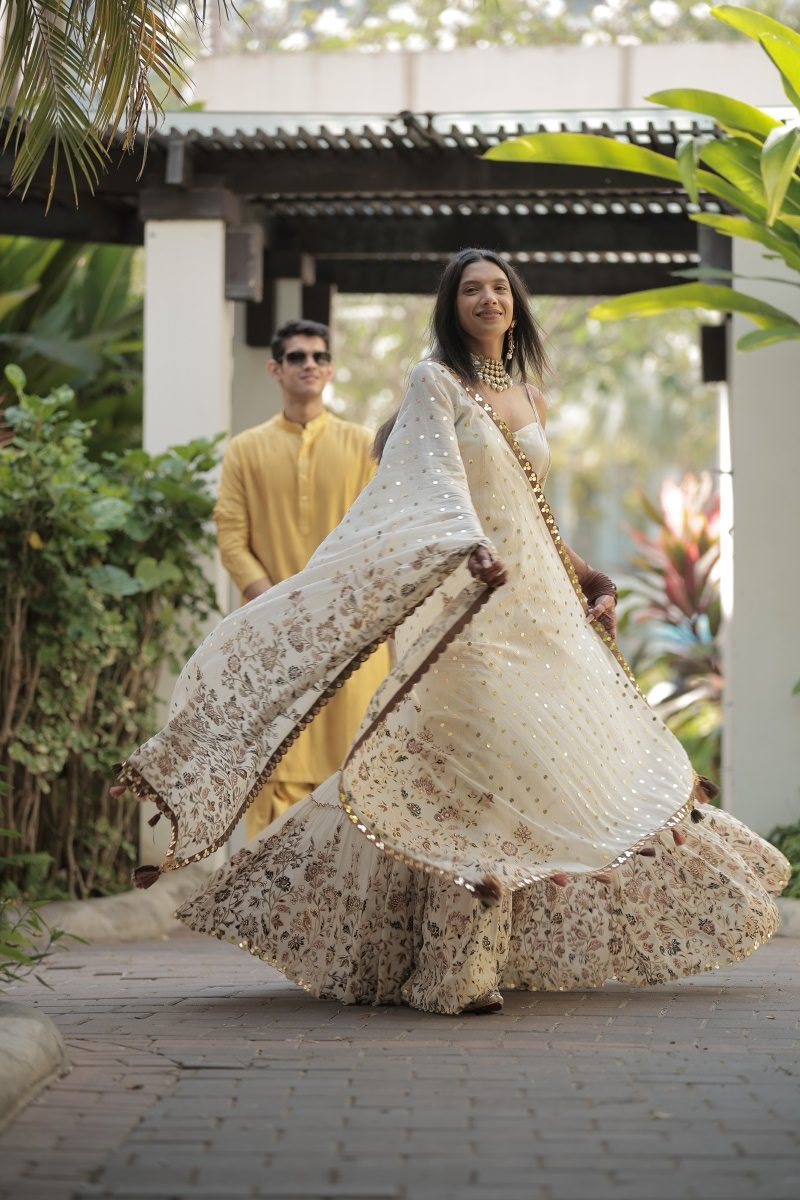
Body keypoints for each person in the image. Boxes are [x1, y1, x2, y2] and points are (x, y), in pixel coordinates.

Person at [115, 249, 788, 1017]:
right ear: (451, 305)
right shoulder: (434, 382)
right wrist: (470, 550)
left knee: (546, 764)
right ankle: (453, 971)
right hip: (468, 608)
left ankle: (492, 949)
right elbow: (430, 490)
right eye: (472, 289)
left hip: (538, 611)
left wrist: (584, 574)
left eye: (500, 288)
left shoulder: (529, 395)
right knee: (463, 769)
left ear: (517, 304)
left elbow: (531, 509)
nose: (489, 298)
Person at [213, 318, 389, 838]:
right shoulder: (244, 449)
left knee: (352, 767)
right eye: (296, 357)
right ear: (275, 369)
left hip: (351, 633)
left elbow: (381, 533)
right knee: (272, 761)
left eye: (318, 357)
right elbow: (230, 536)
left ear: (330, 370)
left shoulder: (364, 447)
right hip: (273, 636)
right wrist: (274, 603)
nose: (309, 364)